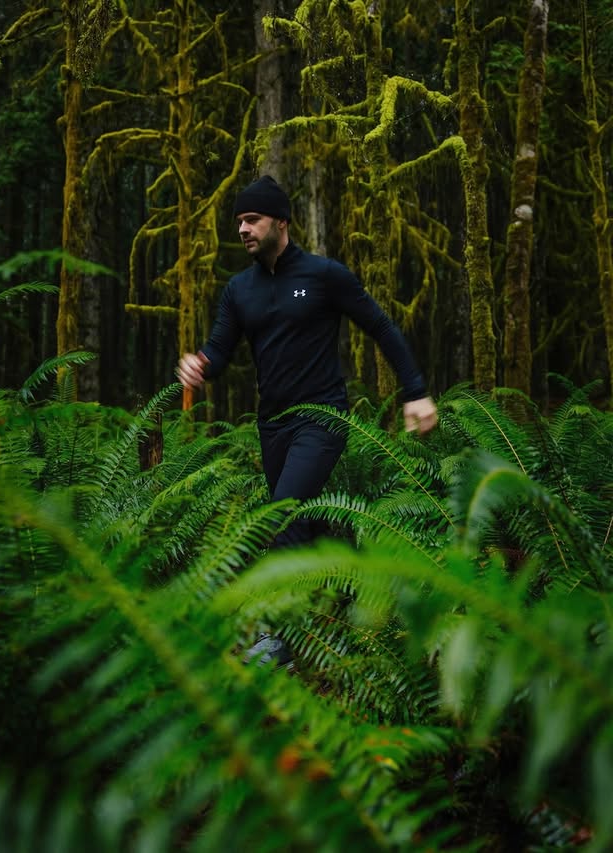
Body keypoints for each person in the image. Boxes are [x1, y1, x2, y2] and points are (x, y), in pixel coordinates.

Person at [177, 175, 437, 662]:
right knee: (305, 520)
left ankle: (275, 637)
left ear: (281, 221)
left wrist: (416, 393)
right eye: (238, 221)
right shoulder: (239, 290)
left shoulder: (324, 276)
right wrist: (201, 365)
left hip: (321, 417)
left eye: (252, 220)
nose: (243, 229)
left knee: (283, 515)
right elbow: (219, 350)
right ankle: (328, 619)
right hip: (272, 426)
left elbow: (380, 326)